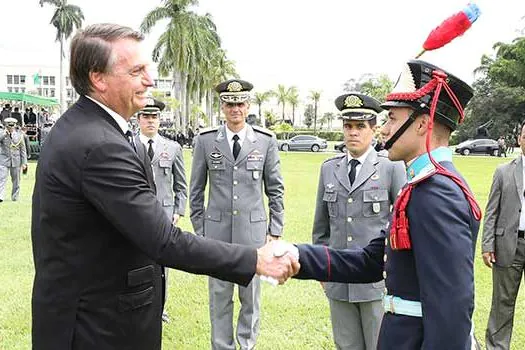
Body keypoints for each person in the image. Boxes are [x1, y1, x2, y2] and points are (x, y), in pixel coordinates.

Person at [31, 23, 297, 350]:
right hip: (98, 329)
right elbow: (164, 240)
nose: (150, 80)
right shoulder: (99, 144)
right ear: (98, 78)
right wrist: (255, 259)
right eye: (137, 70)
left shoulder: (87, 128)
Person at [293, 59, 482, 349]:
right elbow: (372, 260)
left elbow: (451, 311)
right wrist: (296, 256)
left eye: (392, 118)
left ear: (422, 125)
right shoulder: (423, 186)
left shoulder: (436, 193)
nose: (383, 129)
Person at [190, 78, 285, 350]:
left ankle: (247, 346)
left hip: (253, 235)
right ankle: (221, 346)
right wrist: (201, 230)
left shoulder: (265, 141)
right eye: (230, 103)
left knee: (250, 298)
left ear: (248, 106)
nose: (235, 109)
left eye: (240, 103)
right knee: (219, 297)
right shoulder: (206, 141)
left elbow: (275, 189)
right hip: (216, 235)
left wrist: (275, 230)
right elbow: (196, 189)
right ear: (222, 106)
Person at [312, 93, 405, 350]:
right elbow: (321, 229)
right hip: (339, 279)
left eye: (360, 126)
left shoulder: (390, 168)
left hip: (376, 282)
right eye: (348, 126)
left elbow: (401, 225)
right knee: (346, 345)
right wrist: (322, 268)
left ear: (374, 129)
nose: (353, 132)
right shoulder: (329, 169)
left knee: (379, 344)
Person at [135, 97, 188, 324]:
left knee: (163, 266)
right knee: (135, 261)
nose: (150, 121)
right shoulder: (128, 146)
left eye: (154, 117)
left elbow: (181, 185)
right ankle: (138, 307)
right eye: (146, 116)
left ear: (160, 120)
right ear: (138, 119)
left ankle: (160, 308)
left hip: (164, 215)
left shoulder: (172, 148)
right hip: (135, 215)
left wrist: (179, 210)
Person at [482, 122, 525, 349]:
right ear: (520, 139)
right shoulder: (503, 171)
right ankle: (497, 346)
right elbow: (491, 211)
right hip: (509, 244)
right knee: (502, 303)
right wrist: (487, 245)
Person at [0, 117, 28, 202]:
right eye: (9, 126)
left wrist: (24, 163)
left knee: (16, 180)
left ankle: (15, 197)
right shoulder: (2, 134)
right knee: (2, 178)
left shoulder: (19, 135)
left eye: (12, 126)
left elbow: (23, 150)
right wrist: (5, 134)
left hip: (16, 161)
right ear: (6, 126)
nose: (10, 128)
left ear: (14, 126)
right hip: (4, 160)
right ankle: (0, 196)